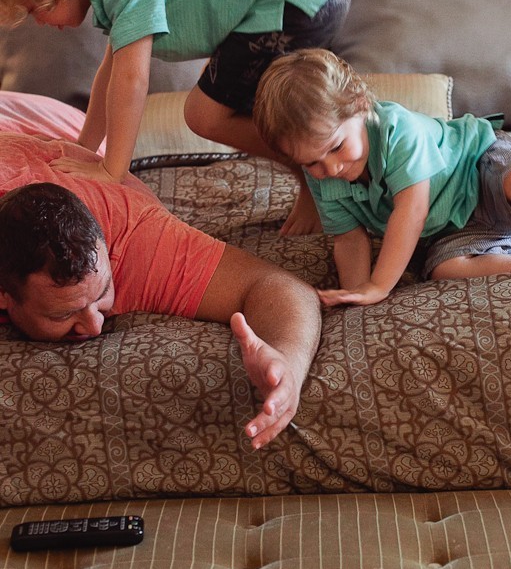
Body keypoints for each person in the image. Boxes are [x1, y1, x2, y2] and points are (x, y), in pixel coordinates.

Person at [0, 0, 351, 233]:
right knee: (252, 109)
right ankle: (316, 174)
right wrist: (84, 149)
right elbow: (110, 73)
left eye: (33, 9)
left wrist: (111, 170)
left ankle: (317, 172)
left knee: (205, 115)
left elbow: (131, 80)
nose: (40, 22)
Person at [252, 48, 511, 307]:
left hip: (477, 168)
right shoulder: (324, 176)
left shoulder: (398, 132)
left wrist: (380, 286)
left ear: (360, 106)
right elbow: (349, 238)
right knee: (443, 268)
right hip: (453, 225)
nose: (330, 169)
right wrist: (356, 292)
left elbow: (411, 212)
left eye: (337, 148)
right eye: (311, 163)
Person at [0, 127, 322, 451]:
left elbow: (279, 286)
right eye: (63, 314)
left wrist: (287, 362)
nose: (95, 326)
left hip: (45, 139)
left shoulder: (135, 239)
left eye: (102, 294)